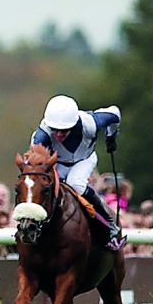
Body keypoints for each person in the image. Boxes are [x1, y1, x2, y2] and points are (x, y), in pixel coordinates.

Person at [31, 95, 124, 250]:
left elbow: (115, 113)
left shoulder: (91, 123)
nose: (59, 135)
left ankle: (109, 224)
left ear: (74, 124)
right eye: (55, 130)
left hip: (84, 160)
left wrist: (111, 135)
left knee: (76, 184)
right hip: (57, 163)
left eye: (64, 130)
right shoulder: (41, 135)